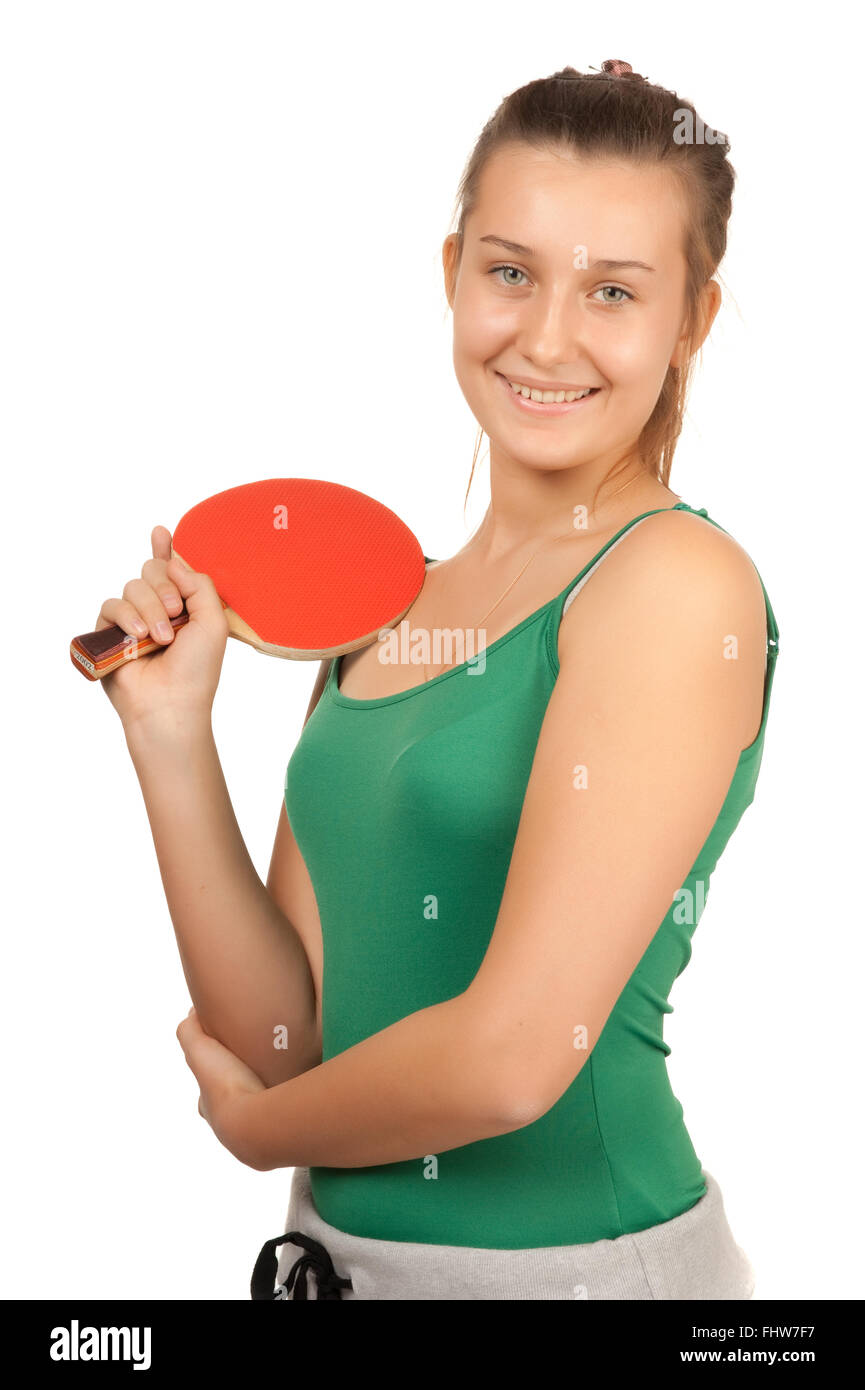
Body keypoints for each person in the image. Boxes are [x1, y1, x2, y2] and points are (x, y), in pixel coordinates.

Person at [97, 59, 780, 1300]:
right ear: (452, 268)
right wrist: (170, 735)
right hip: (336, 1268)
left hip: (583, 1275)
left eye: (614, 290)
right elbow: (286, 1038)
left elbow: (516, 1057)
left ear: (692, 321)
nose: (546, 334)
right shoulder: (387, 606)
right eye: (509, 270)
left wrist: (261, 1134)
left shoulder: (676, 586)